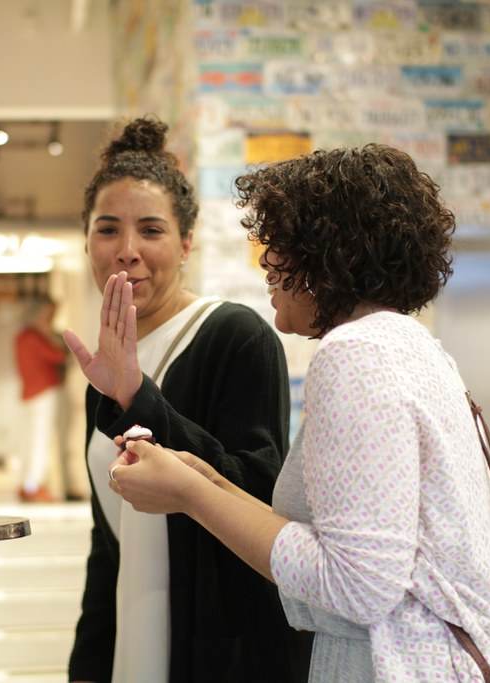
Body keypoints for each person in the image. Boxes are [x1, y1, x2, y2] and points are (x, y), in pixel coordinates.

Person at [101, 145, 490, 681]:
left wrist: (191, 498)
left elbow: (355, 585)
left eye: (280, 245)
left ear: (328, 255)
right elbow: (354, 543)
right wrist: (208, 479)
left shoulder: (355, 354)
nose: (266, 264)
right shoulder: (413, 346)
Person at [61, 116, 311, 683]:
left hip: (224, 647)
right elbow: (109, 546)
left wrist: (138, 398)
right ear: (86, 243)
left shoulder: (235, 336)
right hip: (133, 632)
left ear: (186, 242)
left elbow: (258, 492)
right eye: (107, 230)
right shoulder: (100, 373)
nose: (127, 251)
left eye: (151, 230)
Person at [13, 295, 68, 502]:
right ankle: (33, 485)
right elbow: (61, 355)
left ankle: (27, 483)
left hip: (30, 393)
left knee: (30, 439)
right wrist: (47, 332)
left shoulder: (22, 336)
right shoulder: (35, 337)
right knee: (39, 440)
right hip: (42, 392)